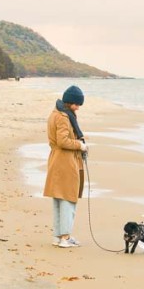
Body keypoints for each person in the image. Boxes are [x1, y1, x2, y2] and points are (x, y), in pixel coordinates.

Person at [43, 85, 88, 248]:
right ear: (69, 102)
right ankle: (65, 237)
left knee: (59, 199)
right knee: (68, 199)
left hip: (57, 159)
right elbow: (62, 141)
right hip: (65, 161)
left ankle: (58, 236)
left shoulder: (57, 113)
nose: (78, 108)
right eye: (77, 104)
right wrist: (80, 145)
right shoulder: (62, 116)